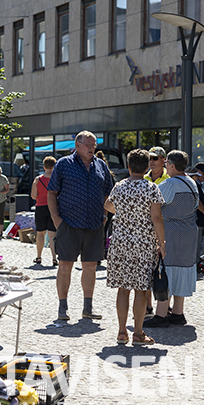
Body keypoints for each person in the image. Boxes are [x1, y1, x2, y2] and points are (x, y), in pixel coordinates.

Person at [48, 131, 114, 320]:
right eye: (88, 144)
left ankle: (88, 308)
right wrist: (56, 219)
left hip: (94, 224)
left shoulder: (101, 165)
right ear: (77, 145)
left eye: (94, 145)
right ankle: (63, 308)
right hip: (68, 223)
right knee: (65, 265)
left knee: (91, 266)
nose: (92, 148)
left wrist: (104, 215)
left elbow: (108, 194)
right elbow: (51, 192)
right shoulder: (63, 164)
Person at [104, 149, 165, 345]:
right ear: (147, 167)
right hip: (143, 243)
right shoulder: (151, 188)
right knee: (140, 288)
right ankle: (138, 333)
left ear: (129, 167)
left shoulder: (119, 186)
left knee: (123, 288)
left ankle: (122, 332)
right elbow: (156, 217)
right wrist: (161, 243)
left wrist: (123, 211)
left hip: (120, 243)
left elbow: (107, 206)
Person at [146, 150, 199, 328]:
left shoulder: (169, 184)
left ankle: (161, 314)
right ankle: (178, 312)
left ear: (173, 166)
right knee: (183, 269)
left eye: (167, 163)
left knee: (165, 270)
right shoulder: (192, 183)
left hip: (171, 233)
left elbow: (152, 203)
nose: (166, 166)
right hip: (189, 233)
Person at [142, 146, 169, 317]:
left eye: (155, 158)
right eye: (149, 158)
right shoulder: (143, 178)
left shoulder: (169, 179)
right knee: (146, 272)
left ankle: (164, 306)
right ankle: (147, 307)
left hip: (164, 230)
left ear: (164, 160)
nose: (151, 161)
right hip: (146, 231)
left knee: (164, 271)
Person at [30, 156, 58, 266]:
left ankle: (39, 257)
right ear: (54, 166)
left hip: (40, 207)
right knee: (52, 235)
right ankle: (54, 258)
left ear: (44, 166)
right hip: (53, 208)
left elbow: (33, 196)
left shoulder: (38, 180)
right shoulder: (56, 180)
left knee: (40, 234)